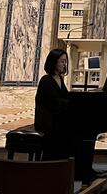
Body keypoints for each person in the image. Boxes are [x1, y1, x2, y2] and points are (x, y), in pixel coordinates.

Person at [35, 48, 96, 182]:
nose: (65, 64)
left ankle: (82, 170)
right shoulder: (46, 80)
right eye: (62, 61)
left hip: (58, 119)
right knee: (79, 133)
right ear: (53, 62)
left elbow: (65, 98)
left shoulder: (59, 79)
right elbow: (53, 103)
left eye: (65, 61)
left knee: (87, 131)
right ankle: (77, 172)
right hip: (48, 122)